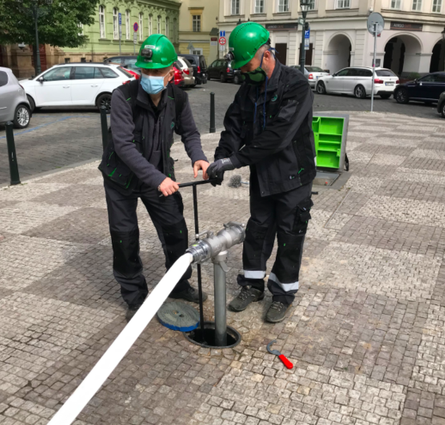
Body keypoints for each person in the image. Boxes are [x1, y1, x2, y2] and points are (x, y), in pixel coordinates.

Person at [207, 22, 316, 323]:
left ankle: (282, 294)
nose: (244, 71)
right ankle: (252, 286)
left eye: (248, 65)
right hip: (264, 176)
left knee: (290, 235)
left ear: (266, 55)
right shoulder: (248, 90)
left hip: (294, 176)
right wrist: (219, 159)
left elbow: (278, 137)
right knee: (258, 231)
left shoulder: (296, 86)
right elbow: (233, 128)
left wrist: (235, 161)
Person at [99, 34, 210, 320]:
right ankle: (135, 298)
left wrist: (198, 156)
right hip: (121, 179)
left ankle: (178, 284)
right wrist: (157, 178)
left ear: (171, 71)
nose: (149, 76)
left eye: (156, 71)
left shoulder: (178, 97)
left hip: (158, 174)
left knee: (176, 230)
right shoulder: (123, 97)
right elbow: (123, 145)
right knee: (125, 238)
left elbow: (190, 133)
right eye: (145, 71)